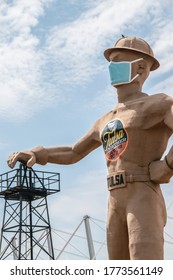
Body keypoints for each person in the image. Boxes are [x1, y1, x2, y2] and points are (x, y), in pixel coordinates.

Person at [7, 36, 173, 260]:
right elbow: (74, 152)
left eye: (117, 61)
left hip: (142, 193)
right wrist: (38, 153)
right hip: (114, 199)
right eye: (110, 63)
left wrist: (168, 165)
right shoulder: (105, 119)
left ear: (141, 68)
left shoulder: (157, 104)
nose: (111, 68)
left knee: (145, 265)